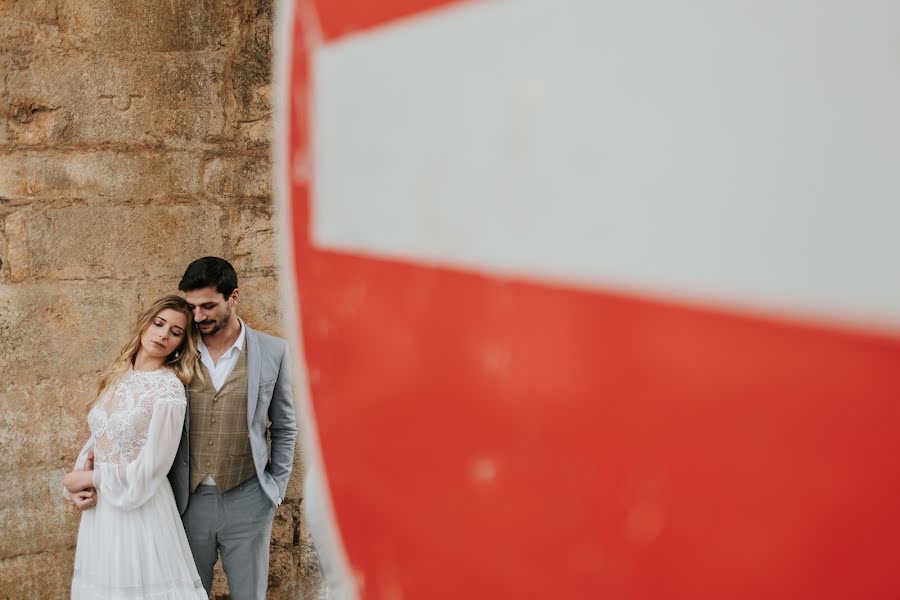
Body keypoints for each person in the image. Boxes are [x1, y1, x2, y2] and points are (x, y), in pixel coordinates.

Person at [169, 256, 298, 599]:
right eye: (191, 306)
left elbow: (285, 426)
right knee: (189, 595)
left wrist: (275, 490)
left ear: (234, 297)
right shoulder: (176, 348)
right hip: (187, 501)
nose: (198, 316)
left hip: (249, 497)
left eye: (208, 306)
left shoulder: (274, 351)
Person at [63, 295, 207, 599]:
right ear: (144, 325)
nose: (163, 335)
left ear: (181, 344)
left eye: (175, 332)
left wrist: (92, 479)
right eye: (158, 324)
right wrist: (78, 484)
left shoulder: (168, 389)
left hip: (140, 510)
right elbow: (98, 439)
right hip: (101, 512)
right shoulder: (118, 377)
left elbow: (154, 467)